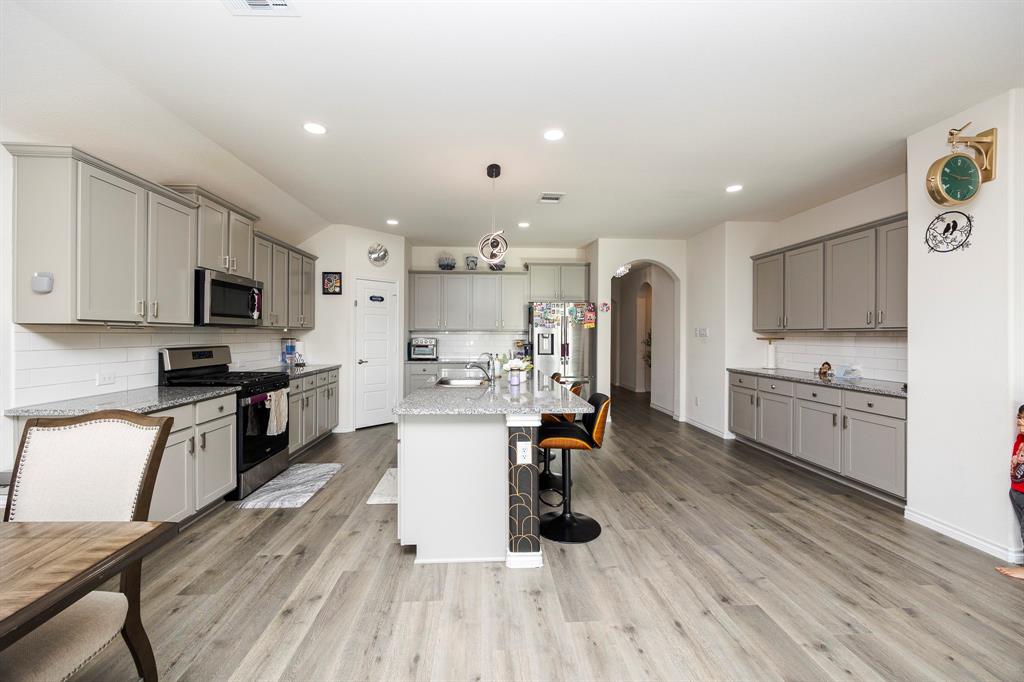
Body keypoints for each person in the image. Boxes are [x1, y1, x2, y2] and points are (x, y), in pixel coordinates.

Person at [996, 404, 1024, 580]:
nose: (1021, 428)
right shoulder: (1020, 440)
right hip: (1016, 492)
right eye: (1019, 423)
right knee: (1023, 528)